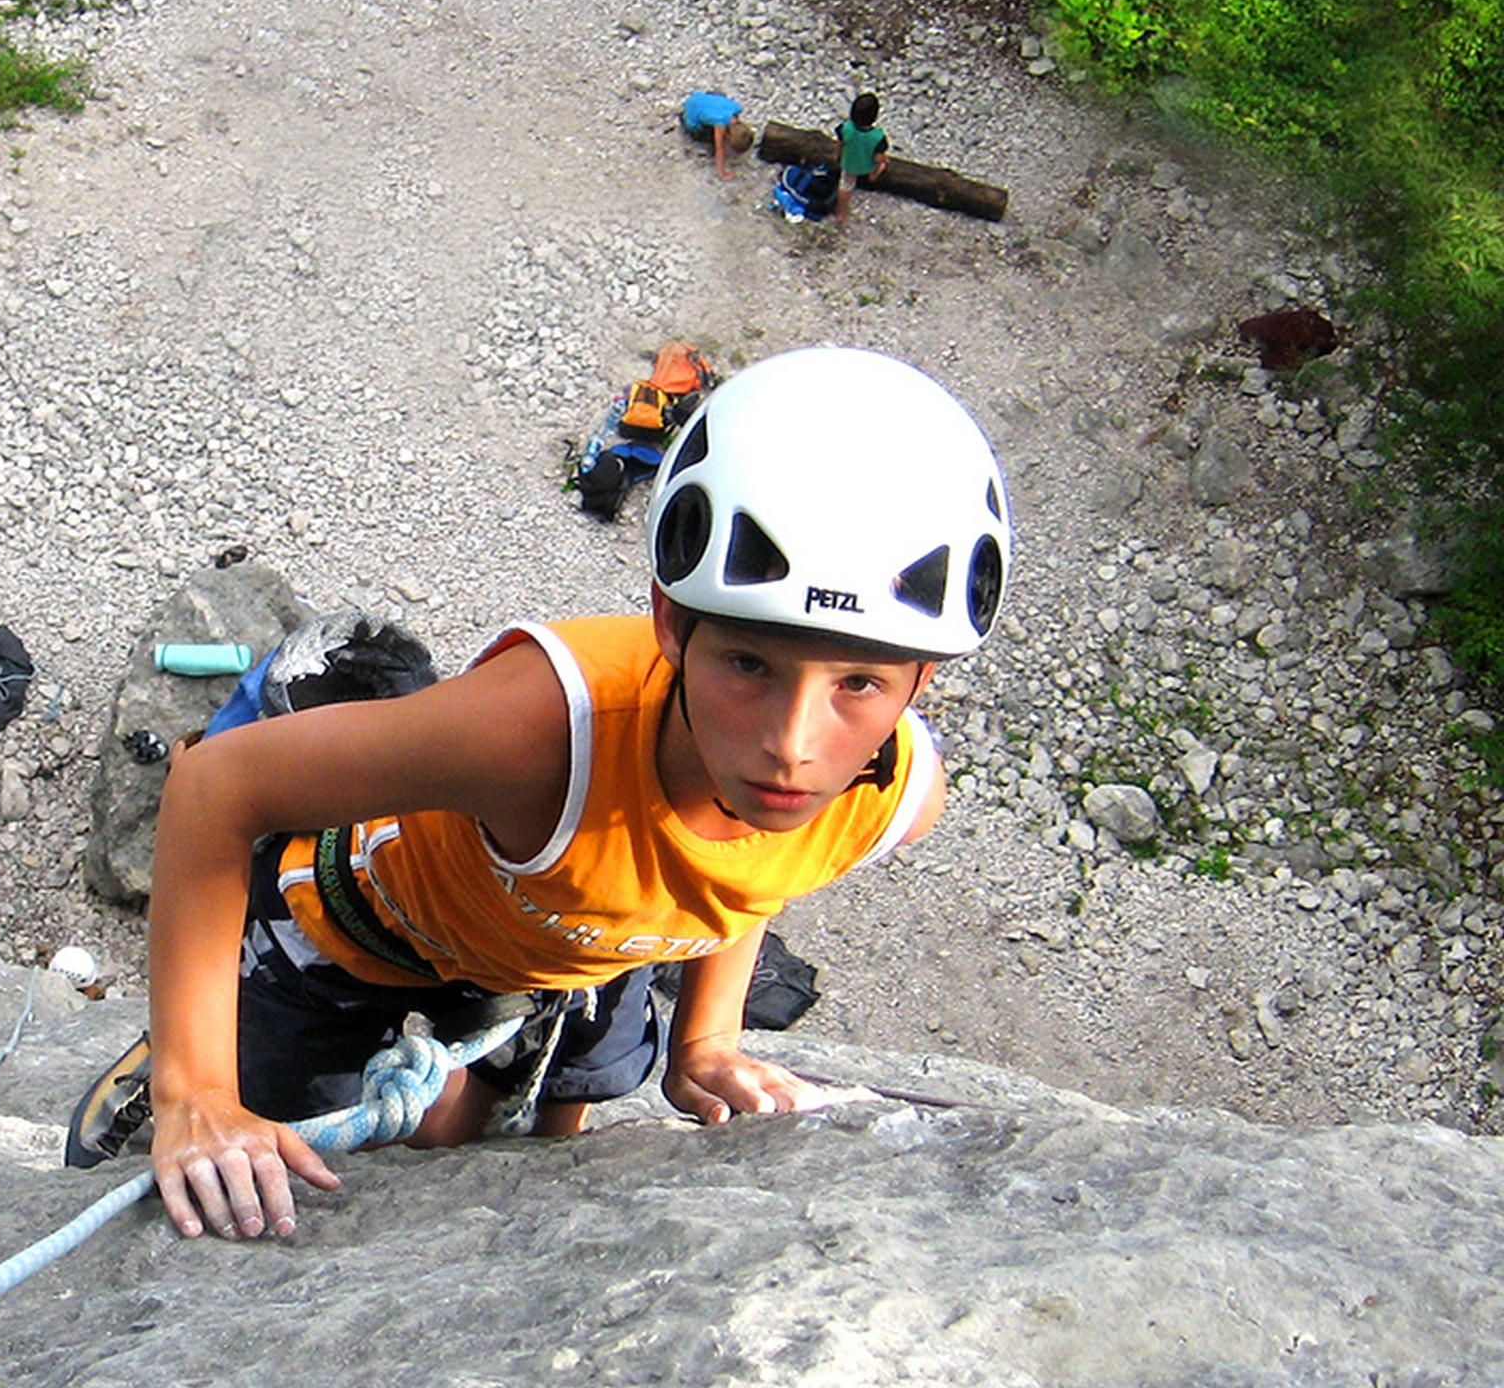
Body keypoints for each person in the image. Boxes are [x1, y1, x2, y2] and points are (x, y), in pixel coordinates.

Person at [65, 348, 1010, 1243]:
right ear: (672, 624)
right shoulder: (544, 733)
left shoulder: (890, 792)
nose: (792, 749)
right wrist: (200, 1091)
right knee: (296, 1171)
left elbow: (759, 872)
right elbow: (216, 782)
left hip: (568, 946)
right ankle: (168, 1062)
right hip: (357, 922)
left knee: (485, 1145)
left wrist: (708, 1042)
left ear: (919, 686)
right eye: (749, 665)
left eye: (858, 686)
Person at [834, 93, 891, 227]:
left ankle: (841, 214)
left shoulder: (845, 128)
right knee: (883, 163)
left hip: (848, 164)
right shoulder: (878, 136)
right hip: (867, 166)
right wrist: (883, 161)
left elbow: (839, 145)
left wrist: (837, 156)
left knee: (845, 187)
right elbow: (878, 157)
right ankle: (873, 176)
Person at [680, 91, 756, 179]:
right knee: (705, 135)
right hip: (690, 115)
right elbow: (719, 148)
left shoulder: (736, 108)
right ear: (727, 135)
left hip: (700, 98)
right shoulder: (720, 123)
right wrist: (722, 173)